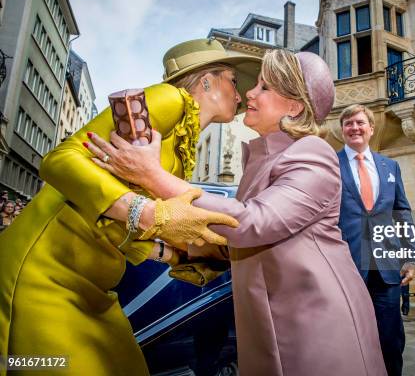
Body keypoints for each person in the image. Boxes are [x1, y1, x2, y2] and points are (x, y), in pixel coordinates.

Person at [89, 50, 387, 376]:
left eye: (265, 87)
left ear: (294, 106)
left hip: (315, 323)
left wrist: (153, 176)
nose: (250, 93)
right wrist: (175, 247)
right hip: (273, 322)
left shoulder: (312, 152)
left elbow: (251, 222)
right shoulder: (264, 158)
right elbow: (243, 243)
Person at [0, 38, 260, 375]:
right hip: (44, 272)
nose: (240, 96)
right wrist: (149, 213)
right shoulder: (170, 99)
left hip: (92, 285)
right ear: (206, 80)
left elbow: (117, 220)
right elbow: (60, 159)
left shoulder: (184, 140)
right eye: (233, 81)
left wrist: (177, 253)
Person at [337, 104, 415, 376]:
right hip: (345, 270)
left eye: (360, 122)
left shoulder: (389, 166)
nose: (354, 127)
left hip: (386, 270)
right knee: (348, 342)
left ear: (372, 128)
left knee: (391, 342)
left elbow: (402, 212)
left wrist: (410, 255)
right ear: (342, 130)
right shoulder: (329, 165)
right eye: (348, 123)